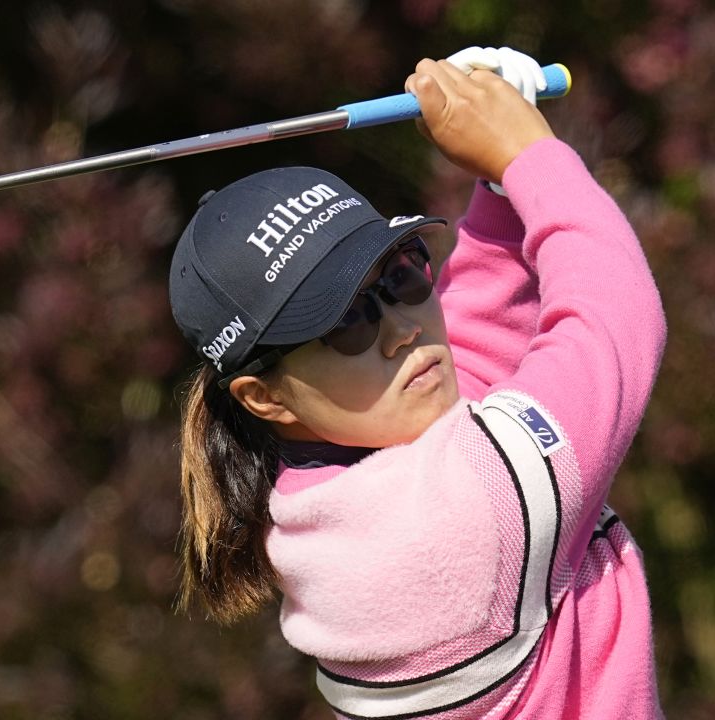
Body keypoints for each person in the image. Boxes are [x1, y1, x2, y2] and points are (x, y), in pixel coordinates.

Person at [168, 47, 667, 720]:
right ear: (265, 397)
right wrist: (528, 154)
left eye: (401, 274)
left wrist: (497, 184)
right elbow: (616, 316)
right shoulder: (451, 524)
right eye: (345, 322)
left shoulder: (325, 497)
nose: (404, 328)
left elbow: (472, 358)